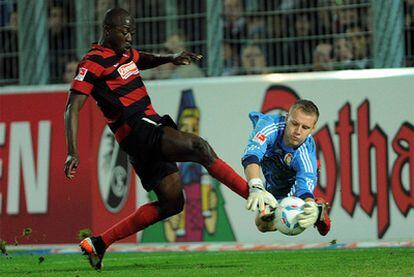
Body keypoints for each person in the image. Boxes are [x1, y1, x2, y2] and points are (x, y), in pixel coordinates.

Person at [64, 8, 273, 270]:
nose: (129, 36)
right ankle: (261, 201)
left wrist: (170, 58)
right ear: (107, 31)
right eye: (124, 31)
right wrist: (72, 151)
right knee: (200, 148)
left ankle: (98, 243)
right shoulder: (93, 61)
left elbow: (142, 59)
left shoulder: (125, 53)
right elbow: (72, 107)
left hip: (138, 137)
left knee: (172, 203)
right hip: (137, 126)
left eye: (132, 32)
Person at [241, 99, 331, 235]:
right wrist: (256, 185)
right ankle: (318, 210)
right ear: (287, 118)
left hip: (289, 181)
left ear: (313, 129)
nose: (298, 131)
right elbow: (251, 156)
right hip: (272, 175)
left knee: (263, 223)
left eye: (305, 128)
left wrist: (310, 205)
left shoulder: (305, 154)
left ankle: (317, 209)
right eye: (294, 123)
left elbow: (304, 189)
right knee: (261, 225)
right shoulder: (269, 126)